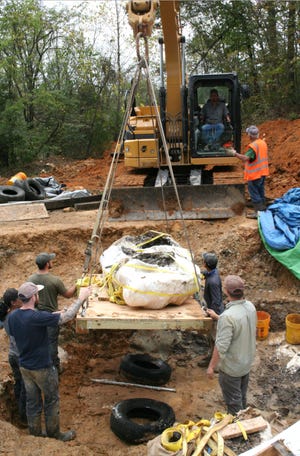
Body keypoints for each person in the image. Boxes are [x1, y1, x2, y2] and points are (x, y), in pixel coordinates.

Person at [7, 281, 91, 440]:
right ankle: (54, 434)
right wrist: (81, 298)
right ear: (34, 297)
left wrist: (55, 314)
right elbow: (67, 317)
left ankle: (35, 433)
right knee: (51, 400)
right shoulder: (36, 317)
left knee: (33, 401)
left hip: (24, 366)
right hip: (42, 367)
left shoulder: (13, 316)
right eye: (37, 294)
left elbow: (35, 320)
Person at [206, 275, 256, 415]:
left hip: (231, 369)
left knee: (234, 403)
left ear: (226, 291)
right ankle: (245, 417)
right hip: (245, 363)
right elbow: (240, 324)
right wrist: (218, 317)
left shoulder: (228, 317)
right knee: (241, 395)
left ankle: (239, 430)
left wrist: (211, 367)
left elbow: (221, 346)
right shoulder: (250, 307)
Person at [28, 252, 77, 373]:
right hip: (51, 317)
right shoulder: (55, 280)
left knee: (37, 342)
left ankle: (39, 367)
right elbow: (68, 295)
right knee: (51, 344)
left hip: (35, 316)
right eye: (51, 260)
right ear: (47, 264)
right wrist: (77, 284)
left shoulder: (30, 279)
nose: (52, 262)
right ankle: (54, 369)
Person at [0, 288, 27, 425]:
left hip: (12, 355)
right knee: (25, 386)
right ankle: (23, 416)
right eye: (19, 298)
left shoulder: (7, 317)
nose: (21, 300)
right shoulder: (17, 316)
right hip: (20, 356)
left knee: (18, 382)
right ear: (13, 302)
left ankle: (19, 410)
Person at [231, 125, 269, 218]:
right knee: (260, 192)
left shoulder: (253, 146)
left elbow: (245, 158)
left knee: (254, 193)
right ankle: (263, 210)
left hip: (254, 175)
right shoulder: (262, 143)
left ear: (250, 135)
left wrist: (234, 153)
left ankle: (258, 213)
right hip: (262, 173)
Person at [198, 253, 224, 367]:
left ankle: (216, 365)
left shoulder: (213, 282)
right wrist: (201, 273)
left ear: (205, 264)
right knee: (210, 338)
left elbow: (217, 300)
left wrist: (214, 315)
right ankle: (211, 358)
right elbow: (208, 274)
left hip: (215, 312)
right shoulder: (213, 273)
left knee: (215, 338)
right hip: (212, 310)